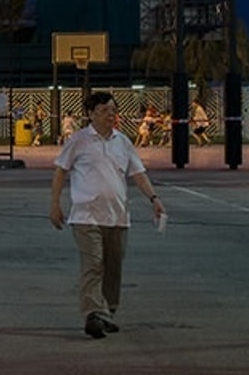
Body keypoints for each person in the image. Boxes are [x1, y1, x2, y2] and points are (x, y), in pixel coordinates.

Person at [49, 91, 165, 339]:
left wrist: (154, 199)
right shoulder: (79, 141)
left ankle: (107, 312)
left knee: (113, 268)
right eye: (103, 110)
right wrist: (55, 204)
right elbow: (60, 171)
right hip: (85, 216)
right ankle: (93, 313)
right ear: (90, 114)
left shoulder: (123, 142)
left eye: (113, 110)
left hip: (117, 217)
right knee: (93, 265)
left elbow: (138, 174)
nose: (110, 115)